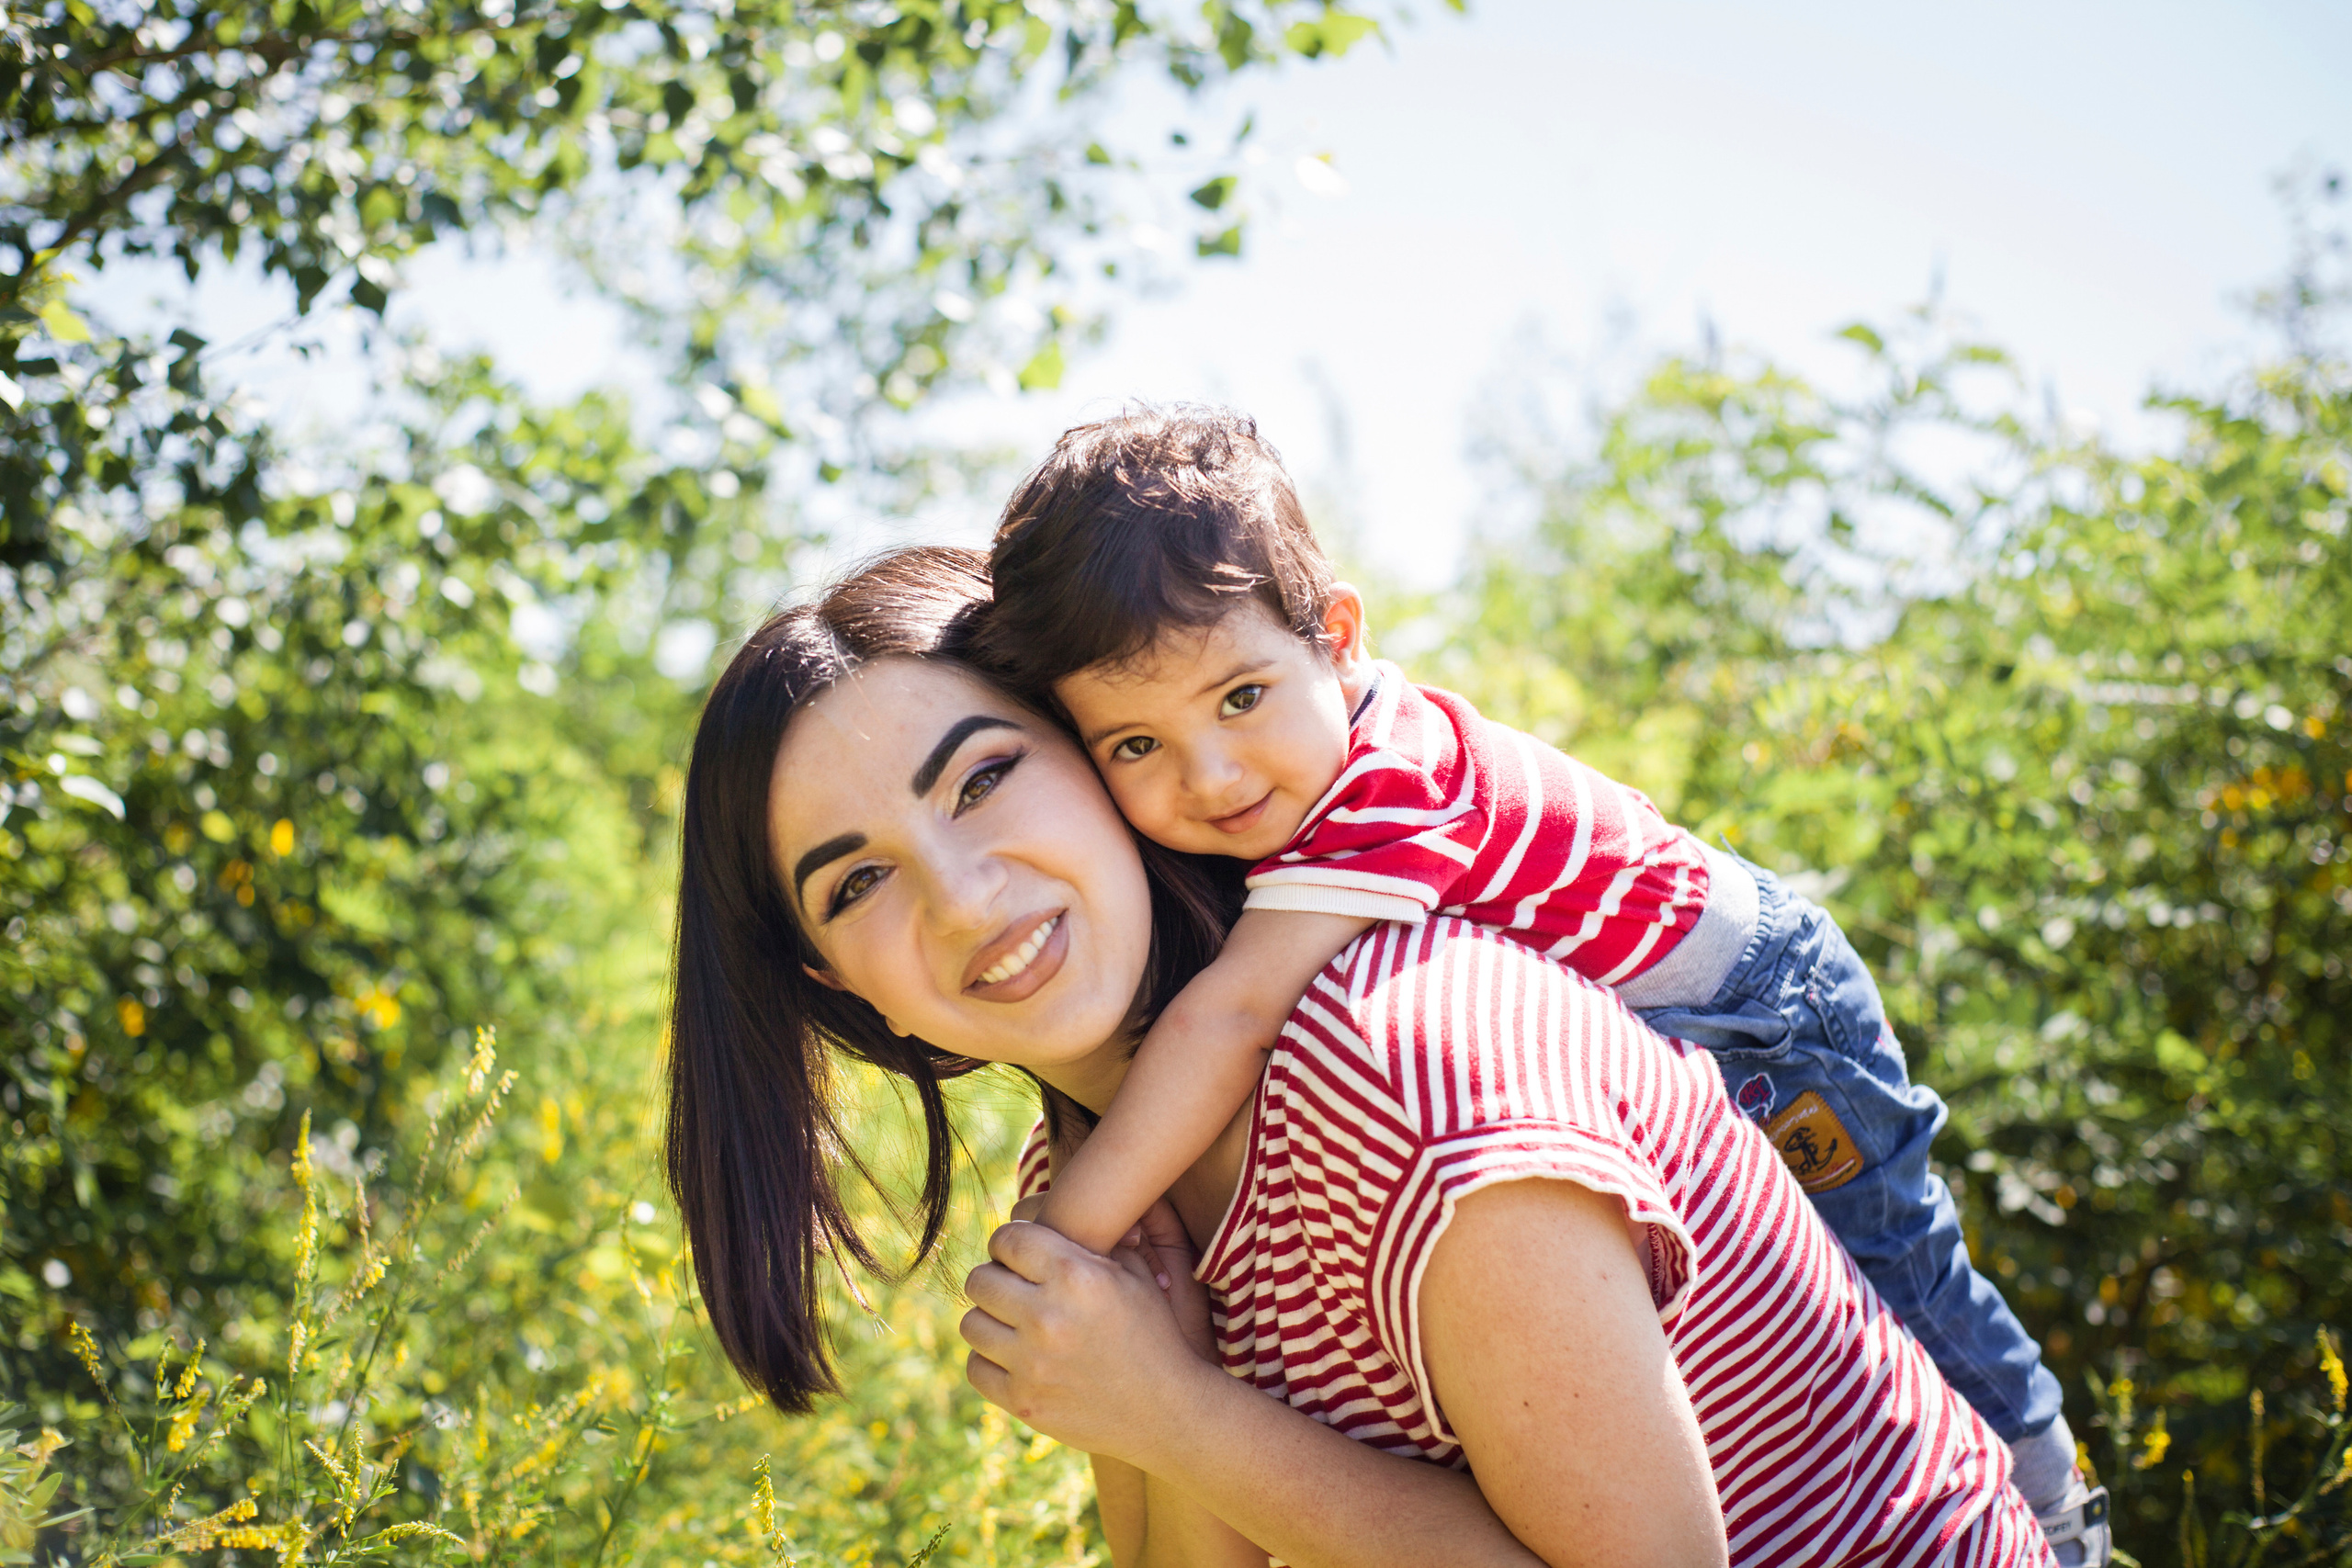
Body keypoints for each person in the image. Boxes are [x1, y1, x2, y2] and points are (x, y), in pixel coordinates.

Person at [664, 545, 2059, 1567]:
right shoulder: (1089, 1176)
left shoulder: (1408, 1069)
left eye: (984, 776)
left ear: (1105, 756)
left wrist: (1181, 1416)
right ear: (840, 988)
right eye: (857, 887)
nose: (964, 896)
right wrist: (1162, 1405)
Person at [975, 406, 2103, 1562]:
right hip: (1672, 997)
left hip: (1752, 1007)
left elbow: (1236, 1014)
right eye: (1135, 747)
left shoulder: (1377, 794)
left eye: (1240, 699)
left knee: (1899, 1277)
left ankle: (2052, 1512)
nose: (1209, 775)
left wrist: (1063, 1241)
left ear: (1339, 635)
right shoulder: (1295, 792)